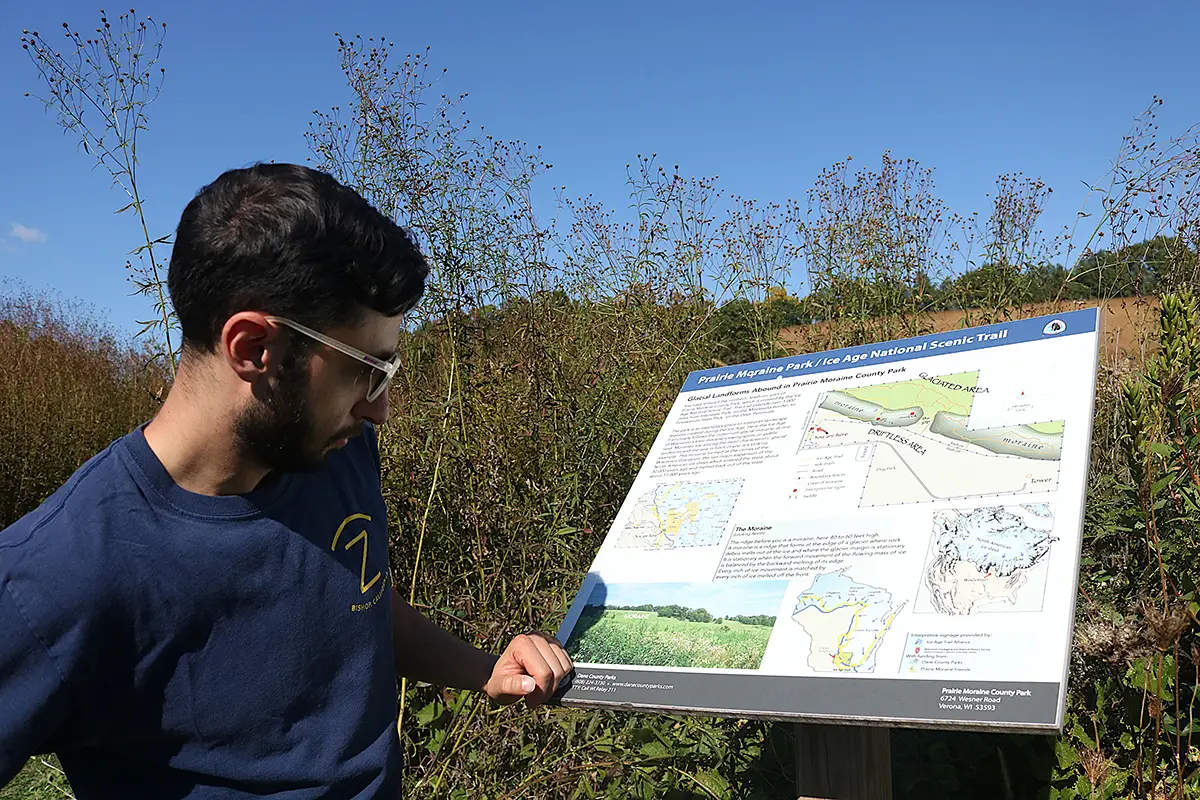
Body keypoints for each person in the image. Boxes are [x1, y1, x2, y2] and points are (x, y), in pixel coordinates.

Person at [0, 163, 573, 798]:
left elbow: (360, 606)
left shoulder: (336, 452)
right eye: (367, 370)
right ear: (252, 350)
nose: (380, 407)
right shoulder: (52, 580)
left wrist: (485, 671)